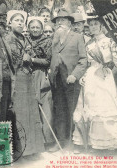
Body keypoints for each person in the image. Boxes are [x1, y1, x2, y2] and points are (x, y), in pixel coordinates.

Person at [72, 14, 117, 152]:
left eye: (96, 24)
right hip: (91, 77)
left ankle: (110, 142)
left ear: (102, 26)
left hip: (105, 77)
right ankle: (90, 142)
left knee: (106, 108)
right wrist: (82, 76)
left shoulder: (109, 41)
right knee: (91, 108)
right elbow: (85, 63)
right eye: (91, 24)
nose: (93, 27)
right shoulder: (88, 43)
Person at [5, 10, 45, 159]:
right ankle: (21, 151)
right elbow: (11, 60)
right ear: (10, 23)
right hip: (17, 80)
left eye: (22, 21)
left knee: (31, 113)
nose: (20, 23)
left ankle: (32, 149)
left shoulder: (24, 38)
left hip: (28, 79)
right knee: (20, 114)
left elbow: (32, 55)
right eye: (16, 20)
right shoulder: (7, 38)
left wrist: (29, 57)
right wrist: (25, 57)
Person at [49, 8, 87, 150]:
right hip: (57, 81)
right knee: (59, 111)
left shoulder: (77, 37)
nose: (60, 23)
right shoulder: (54, 38)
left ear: (70, 23)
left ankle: (74, 142)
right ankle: (61, 141)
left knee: (73, 111)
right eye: (58, 21)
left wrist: (74, 75)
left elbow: (83, 60)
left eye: (63, 20)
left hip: (71, 80)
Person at [26, 16, 55, 152]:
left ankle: (48, 141)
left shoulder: (47, 41)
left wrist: (32, 59)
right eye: (32, 27)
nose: (35, 29)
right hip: (27, 75)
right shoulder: (25, 40)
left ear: (42, 29)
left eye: (38, 27)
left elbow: (48, 61)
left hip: (41, 76)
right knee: (31, 109)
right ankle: (35, 143)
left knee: (46, 108)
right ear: (29, 28)